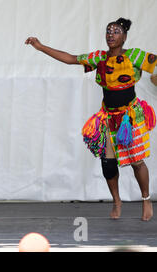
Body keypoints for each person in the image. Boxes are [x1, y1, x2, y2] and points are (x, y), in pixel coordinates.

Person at [25, 18, 156, 221]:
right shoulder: (100, 58)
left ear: (125, 37)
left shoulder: (134, 56)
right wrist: (40, 47)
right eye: (108, 31)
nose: (111, 34)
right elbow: (71, 59)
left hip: (130, 117)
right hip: (108, 118)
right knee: (108, 164)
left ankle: (146, 199)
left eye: (116, 31)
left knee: (137, 162)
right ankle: (117, 201)